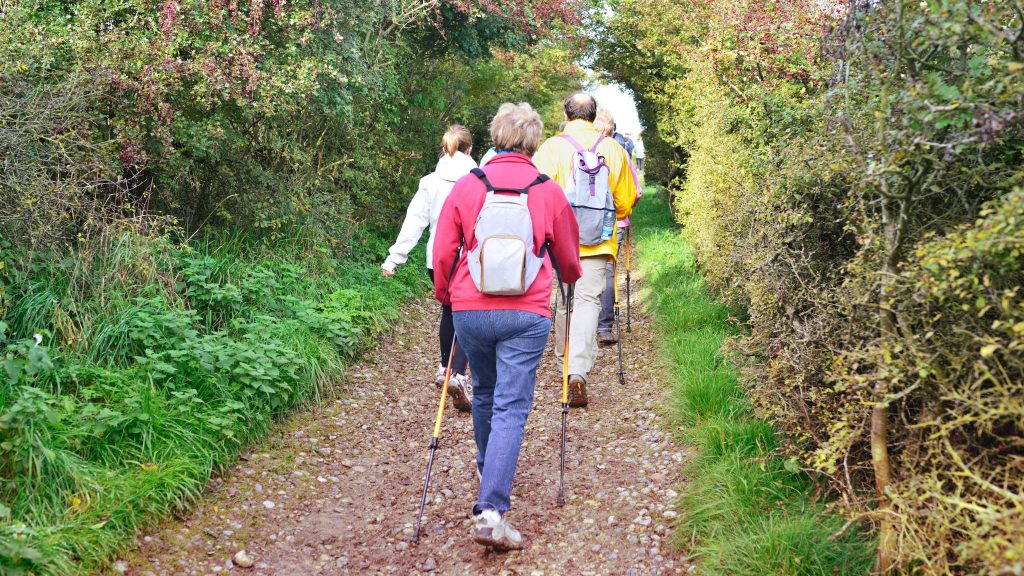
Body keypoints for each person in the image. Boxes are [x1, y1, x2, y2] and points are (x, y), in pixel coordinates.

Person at [433, 102, 582, 550]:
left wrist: (448, 297)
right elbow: (570, 261)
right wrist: (569, 279)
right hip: (526, 314)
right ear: (534, 142)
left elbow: (443, 252)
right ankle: (492, 510)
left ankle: (486, 467)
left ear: (496, 136)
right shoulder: (546, 190)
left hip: (471, 312)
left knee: (485, 391)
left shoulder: (468, 185)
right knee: (511, 408)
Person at [533, 93, 637, 407]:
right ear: (593, 116)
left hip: (560, 240)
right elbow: (626, 200)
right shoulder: (613, 148)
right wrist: (608, 219)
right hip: (599, 240)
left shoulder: (551, 148)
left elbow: (536, 194)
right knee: (589, 299)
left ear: (566, 114)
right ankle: (578, 368)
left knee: (565, 298)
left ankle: (564, 359)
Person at [381, 125, 475, 411]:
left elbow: (415, 221)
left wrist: (394, 258)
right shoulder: (477, 180)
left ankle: (444, 368)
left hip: (436, 257)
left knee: (449, 310)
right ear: (469, 149)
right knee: (468, 311)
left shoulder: (429, 181)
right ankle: (457, 372)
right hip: (468, 254)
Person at [591, 113, 642, 345]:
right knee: (608, 270)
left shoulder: (580, 149)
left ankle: (583, 322)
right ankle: (604, 327)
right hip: (615, 222)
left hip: (583, 219)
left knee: (585, 268)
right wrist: (623, 211)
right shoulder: (620, 151)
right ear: (612, 129)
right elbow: (635, 193)